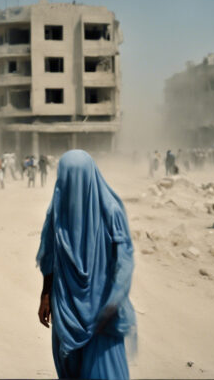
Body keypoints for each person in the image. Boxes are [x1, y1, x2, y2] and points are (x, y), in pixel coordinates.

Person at [36, 150, 136, 380]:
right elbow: (49, 253)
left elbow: (124, 260)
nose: (71, 185)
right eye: (66, 178)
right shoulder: (57, 210)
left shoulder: (110, 211)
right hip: (66, 304)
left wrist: (114, 300)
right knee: (69, 367)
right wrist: (45, 294)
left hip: (102, 308)